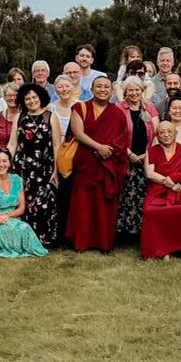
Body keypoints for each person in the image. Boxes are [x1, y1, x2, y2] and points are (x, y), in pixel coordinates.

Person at [66, 76, 130, 252]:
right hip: (86, 162)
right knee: (83, 203)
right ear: (92, 89)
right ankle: (81, 242)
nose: (103, 89)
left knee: (104, 205)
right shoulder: (80, 107)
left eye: (106, 87)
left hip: (108, 164)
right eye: (99, 86)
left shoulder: (117, 113)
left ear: (111, 91)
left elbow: (123, 138)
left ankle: (103, 242)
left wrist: (107, 151)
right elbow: (78, 133)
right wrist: (99, 147)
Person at [141, 121, 181, 260]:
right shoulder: (152, 151)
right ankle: (163, 248)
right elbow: (149, 173)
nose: (166, 135)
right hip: (159, 192)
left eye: (169, 132)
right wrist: (169, 182)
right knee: (151, 211)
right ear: (156, 135)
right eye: (162, 132)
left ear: (176, 133)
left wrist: (176, 177)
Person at [9, 83, 62, 246]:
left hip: (44, 168)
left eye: (34, 97)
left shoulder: (51, 116)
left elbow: (56, 144)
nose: (31, 101)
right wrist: (7, 164)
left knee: (42, 203)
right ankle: (24, 239)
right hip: (22, 168)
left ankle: (44, 239)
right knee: (23, 201)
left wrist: (56, 170)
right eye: (27, 99)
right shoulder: (19, 117)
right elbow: (12, 144)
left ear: (40, 98)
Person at [0, 149, 49, 258]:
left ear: (10, 163)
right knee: (23, 228)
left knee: (23, 227)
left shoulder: (17, 180)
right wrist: (4, 217)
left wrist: (8, 216)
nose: (1, 164)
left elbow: (21, 208)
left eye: (4, 161)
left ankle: (30, 249)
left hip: (13, 218)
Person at [114, 78, 158, 244]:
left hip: (145, 159)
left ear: (142, 91)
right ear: (125, 92)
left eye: (137, 90)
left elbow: (156, 134)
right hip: (125, 158)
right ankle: (122, 235)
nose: (134, 93)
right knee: (125, 196)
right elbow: (115, 135)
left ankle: (140, 233)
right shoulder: (119, 109)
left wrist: (146, 154)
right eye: (130, 90)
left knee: (142, 195)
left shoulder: (150, 108)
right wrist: (129, 153)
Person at [0, 82, 20, 148]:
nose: (12, 98)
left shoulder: (25, 116)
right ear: (4, 97)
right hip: (2, 155)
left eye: (15, 95)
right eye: (9, 95)